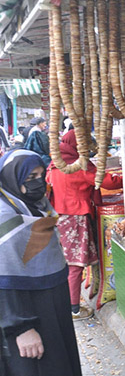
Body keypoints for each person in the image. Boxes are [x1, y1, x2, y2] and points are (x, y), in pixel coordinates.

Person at [0, 149, 82, 376]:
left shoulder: (39, 210)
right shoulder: (4, 217)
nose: (39, 184)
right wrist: (21, 328)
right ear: (10, 179)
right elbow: (3, 280)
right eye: (30, 178)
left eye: (40, 176)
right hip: (27, 318)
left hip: (52, 310)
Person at [47, 130, 125, 320]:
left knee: (68, 263)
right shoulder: (77, 166)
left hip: (60, 219)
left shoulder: (55, 163)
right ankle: (74, 309)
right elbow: (105, 181)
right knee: (75, 265)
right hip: (76, 219)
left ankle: (68, 303)